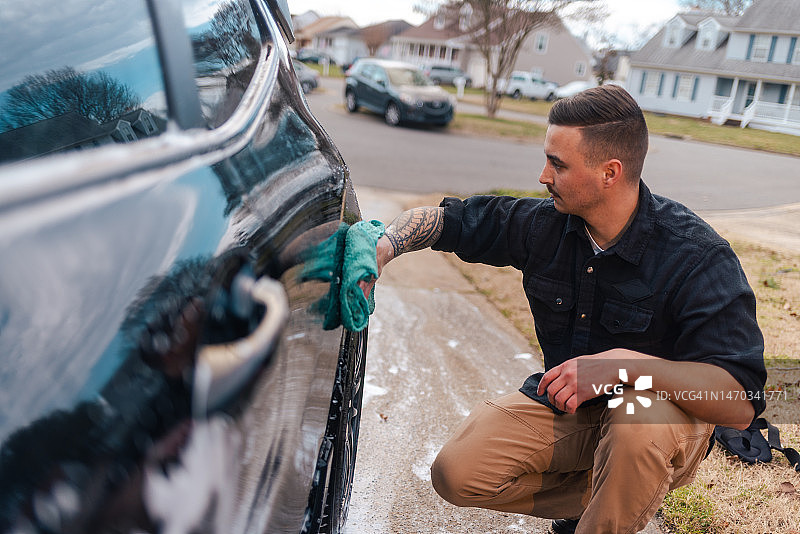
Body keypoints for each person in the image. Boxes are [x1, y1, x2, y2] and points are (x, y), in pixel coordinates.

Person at [366, 84, 766, 534]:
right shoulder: (545, 226)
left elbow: (740, 402)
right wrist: (383, 247)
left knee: (635, 429)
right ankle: (602, 497)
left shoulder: (696, 256)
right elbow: (450, 221)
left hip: (660, 421)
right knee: (458, 473)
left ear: (609, 172)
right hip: (576, 410)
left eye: (558, 164)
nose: (543, 175)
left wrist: (623, 368)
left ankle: (603, 516)